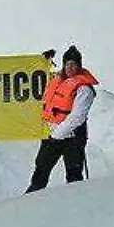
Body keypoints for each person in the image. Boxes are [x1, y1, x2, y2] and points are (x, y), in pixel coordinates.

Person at [25, 45, 99, 193]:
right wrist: (42, 61)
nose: (70, 67)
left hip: (73, 138)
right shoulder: (57, 80)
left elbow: (77, 117)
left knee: (74, 176)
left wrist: (56, 136)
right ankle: (29, 201)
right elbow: (37, 76)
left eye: (74, 64)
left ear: (79, 66)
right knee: (41, 170)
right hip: (53, 135)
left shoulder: (84, 89)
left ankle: (77, 205)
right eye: (67, 64)